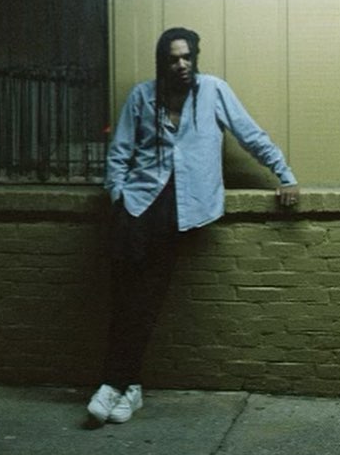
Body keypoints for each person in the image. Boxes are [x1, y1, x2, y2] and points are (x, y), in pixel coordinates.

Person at [87, 26, 299, 426]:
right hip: (137, 205)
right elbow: (120, 151)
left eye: (187, 57)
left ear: (195, 58)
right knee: (125, 296)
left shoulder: (214, 91)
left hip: (183, 211)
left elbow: (250, 135)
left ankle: (116, 383)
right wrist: (117, 196)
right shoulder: (142, 96)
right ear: (162, 62)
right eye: (173, 59)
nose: (181, 65)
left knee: (148, 297)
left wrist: (284, 175)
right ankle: (127, 387)